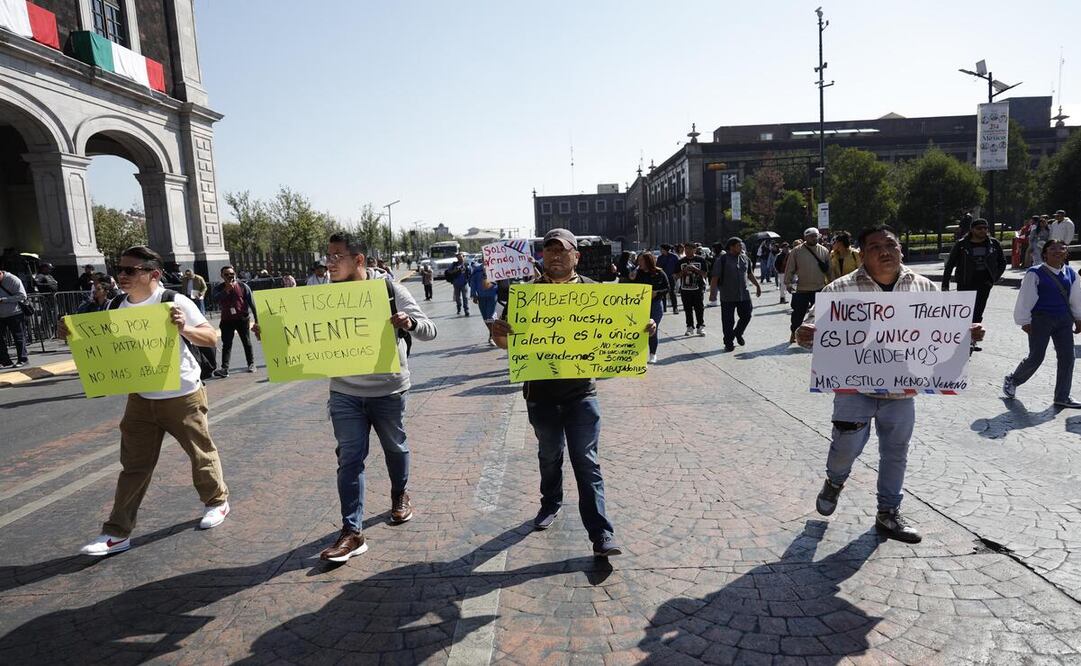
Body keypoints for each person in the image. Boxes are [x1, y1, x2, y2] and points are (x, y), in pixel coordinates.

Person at [797, 226, 985, 544]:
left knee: (895, 452)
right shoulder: (839, 290)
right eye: (874, 246)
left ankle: (888, 513)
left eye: (890, 244)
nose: (885, 251)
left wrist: (966, 334)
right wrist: (806, 334)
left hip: (902, 391)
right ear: (862, 253)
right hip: (853, 388)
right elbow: (814, 329)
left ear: (900, 249)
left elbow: (944, 331)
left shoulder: (923, 287)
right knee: (845, 447)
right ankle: (835, 480)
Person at [489, 229, 652, 558]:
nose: (556, 256)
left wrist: (643, 329)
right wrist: (499, 333)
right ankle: (550, 503)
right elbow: (504, 343)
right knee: (549, 457)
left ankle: (601, 534)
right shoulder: (524, 296)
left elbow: (620, 333)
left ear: (576, 256)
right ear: (542, 257)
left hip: (582, 394)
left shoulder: (596, 293)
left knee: (586, 462)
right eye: (550, 251)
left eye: (563, 251)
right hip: (540, 394)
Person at [60, 245, 230, 556]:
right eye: (120, 269)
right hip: (139, 397)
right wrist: (75, 336)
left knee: (200, 454)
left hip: (182, 395)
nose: (120, 276)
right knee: (134, 466)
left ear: (153, 274)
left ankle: (216, 502)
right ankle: (116, 532)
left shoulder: (173, 301)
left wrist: (185, 328)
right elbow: (105, 346)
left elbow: (211, 337)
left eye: (129, 270)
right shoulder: (115, 305)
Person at [305, 232, 436, 563]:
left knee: (395, 446)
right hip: (344, 392)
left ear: (358, 260)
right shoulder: (323, 296)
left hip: (388, 389)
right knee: (349, 459)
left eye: (337, 257)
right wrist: (273, 336)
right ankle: (352, 532)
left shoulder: (390, 290)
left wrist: (408, 323)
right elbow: (305, 338)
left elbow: (429, 329)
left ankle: (399, 495)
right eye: (327, 256)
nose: (329, 263)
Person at [1002, 239, 1081, 408]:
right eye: (1053, 248)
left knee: (1067, 358)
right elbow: (1025, 298)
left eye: (1062, 248)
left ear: (1067, 253)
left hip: (1064, 320)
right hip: (1041, 319)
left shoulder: (1072, 273)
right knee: (1036, 356)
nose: (1057, 251)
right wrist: (1024, 321)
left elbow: (1075, 298)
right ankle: (1013, 379)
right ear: (1045, 253)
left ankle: (1062, 396)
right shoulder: (1035, 273)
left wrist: (1078, 318)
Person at [942, 218, 1006, 330]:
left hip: (985, 283)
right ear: (972, 230)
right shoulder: (961, 245)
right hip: (965, 282)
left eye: (985, 228)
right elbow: (950, 265)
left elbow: (1002, 262)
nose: (983, 231)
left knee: (978, 313)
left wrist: (994, 278)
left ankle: (973, 339)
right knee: (965, 312)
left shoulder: (993, 244)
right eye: (979, 228)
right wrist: (945, 285)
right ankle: (963, 338)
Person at [711, 237, 761, 352]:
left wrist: (757, 286)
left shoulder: (745, 258)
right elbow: (715, 277)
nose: (741, 247)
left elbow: (749, 274)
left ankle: (738, 333)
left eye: (741, 245)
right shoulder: (722, 260)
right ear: (731, 247)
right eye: (738, 245)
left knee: (747, 316)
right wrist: (712, 293)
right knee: (728, 321)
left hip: (744, 294)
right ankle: (728, 342)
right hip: (727, 295)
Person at [784, 228, 830, 343]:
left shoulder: (824, 250)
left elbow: (829, 270)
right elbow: (790, 268)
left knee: (820, 315)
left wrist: (831, 283)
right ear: (805, 237)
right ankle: (793, 333)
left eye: (816, 236)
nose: (814, 238)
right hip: (801, 289)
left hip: (819, 288)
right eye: (811, 236)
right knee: (797, 315)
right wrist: (788, 282)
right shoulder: (796, 251)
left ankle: (819, 336)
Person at [211, 266, 258, 377]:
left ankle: (251, 364)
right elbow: (215, 299)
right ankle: (224, 369)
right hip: (226, 321)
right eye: (226, 274)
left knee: (246, 342)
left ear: (235, 274)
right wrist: (226, 290)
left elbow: (252, 304)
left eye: (231, 274)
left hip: (242, 319)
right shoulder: (219, 288)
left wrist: (257, 320)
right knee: (226, 344)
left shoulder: (243, 286)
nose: (229, 276)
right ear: (222, 276)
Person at [630, 251, 669, 364]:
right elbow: (630, 288)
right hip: (640, 305)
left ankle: (653, 354)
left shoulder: (659, 272)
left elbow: (667, 288)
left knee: (651, 329)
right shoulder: (637, 273)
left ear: (648, 261)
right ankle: (638, 355)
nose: (639, 262)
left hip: (655, 305)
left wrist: (656, 293)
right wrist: (630, 278)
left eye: (642, 260)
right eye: (639, 260)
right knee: (639, 330)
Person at [675, 243, 709, 336]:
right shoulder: (681, 261)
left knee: (699, 308)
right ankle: (689, 327)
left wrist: (695, 269)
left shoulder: (701, 260)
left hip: (698, 289)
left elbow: (705, 274)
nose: (687, 251)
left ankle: (700, 327)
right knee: (687, 309)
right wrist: (684, 271)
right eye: (686, 250)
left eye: (689, 249)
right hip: (685, 289)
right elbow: (675, 276)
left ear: (694, 250)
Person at [0, 264, 29, 369]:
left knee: (19, 337)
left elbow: (22, 296)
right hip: (1, 315)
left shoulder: (12, 279)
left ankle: (23, 359)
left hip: (15, 313)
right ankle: (5, 360)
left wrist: (3, 300)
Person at [470, 264, 499, 345]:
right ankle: (492, 333)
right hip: (481, 296)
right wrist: (473, 294)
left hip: (492, 295)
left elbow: (499, 281)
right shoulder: (477, 270)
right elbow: (473, 282)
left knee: (490, 316)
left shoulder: (495, 267)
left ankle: (492, 336)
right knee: (485, 318)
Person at [656, 244, 681, 315]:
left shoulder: (674, 257)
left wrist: (676, 274)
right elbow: (658, 267)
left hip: (671, 277)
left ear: (665, 249)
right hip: (662, 277)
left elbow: (678, 266)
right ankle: (663, 308)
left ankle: (675, 308)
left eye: (661, 249)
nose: (660, 251)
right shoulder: (660, 258)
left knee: (672, 292)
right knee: (663, 292)